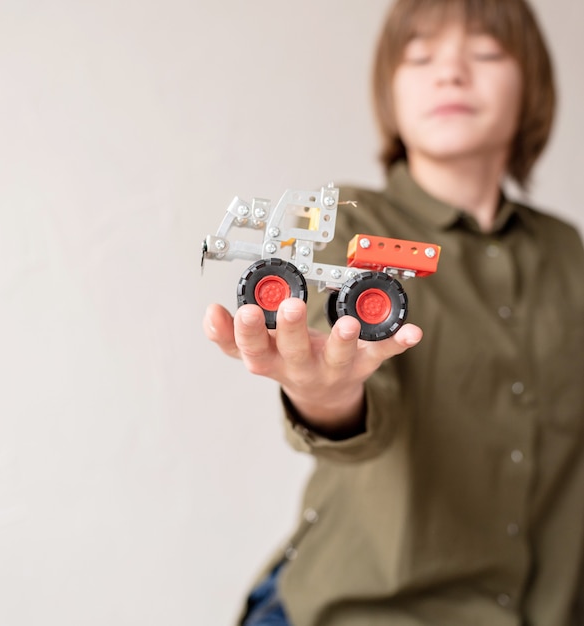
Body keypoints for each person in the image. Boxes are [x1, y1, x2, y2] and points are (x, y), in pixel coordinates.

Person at [204, 0, 584, 624]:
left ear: (533, 85)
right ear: (390, 92)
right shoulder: (352, 222)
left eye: (485, 52)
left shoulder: (566, 253)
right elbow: (348, 381)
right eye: (420, 56)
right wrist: (323, 396)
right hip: (359, 608)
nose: (450, 73)